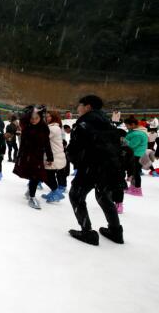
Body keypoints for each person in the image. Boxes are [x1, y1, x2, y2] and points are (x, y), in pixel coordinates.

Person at [67, 95, 125, 245]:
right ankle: (115, 231)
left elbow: (73, 151)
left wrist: (74, 159)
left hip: (90, 167)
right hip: (110, 167)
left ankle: (87, 232)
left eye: (79, 105)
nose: (77, 109)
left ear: (88, 107)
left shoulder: (83, 124)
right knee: (104, 196)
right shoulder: (108, 124)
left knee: (76, 196)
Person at [13, 105, 53, 210]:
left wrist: (50, 157)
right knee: (34, 176)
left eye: (36, 118)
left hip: (38, 156)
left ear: (41, 118)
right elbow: (23, 119)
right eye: (32, 118)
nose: (34, 120)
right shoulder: (26, 127)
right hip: (27, 156)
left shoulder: (44, 128)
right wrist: (32, 111)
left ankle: (30, 193)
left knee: (36, 176)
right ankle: (31, 196)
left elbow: (47, 143)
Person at [40, 111, 68, 203]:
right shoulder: (53, 127)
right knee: (50, 175)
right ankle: (54, 193)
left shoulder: (53, 128)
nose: (47, 118)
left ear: (54, 118)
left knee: (47, 175)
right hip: (54, 155)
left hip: (54, 156)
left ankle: (56, 193)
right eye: (46, 117)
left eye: (49, 117)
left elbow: (41, 137)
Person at [124, 117, 149, 196]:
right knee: (134, 172)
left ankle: (137, 190)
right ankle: (133, 187)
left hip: (137, 155)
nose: (126, 127)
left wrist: (123, 140)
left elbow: (132, 145)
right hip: (137, 154)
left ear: (133, 124)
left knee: (135, 173)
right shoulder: (136, 131)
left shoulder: (138, 134)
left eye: (127, 125)